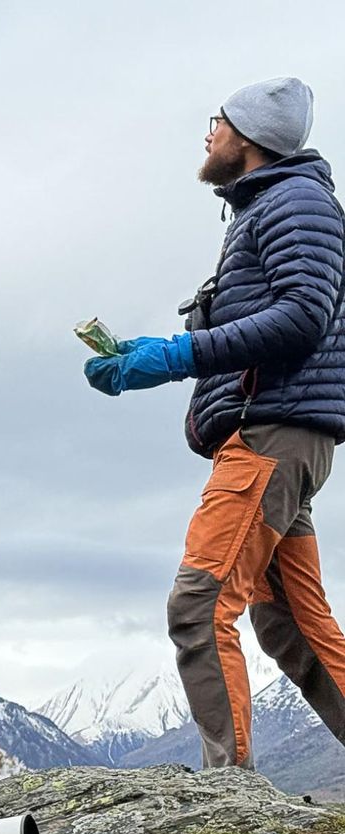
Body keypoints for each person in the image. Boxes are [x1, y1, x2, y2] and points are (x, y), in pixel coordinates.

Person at [84, 77, 345, 768]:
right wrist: (152, 348)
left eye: (218, 122)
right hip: (284, 437)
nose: (209, 134)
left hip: (272, 437)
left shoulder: (295, 201)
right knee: (291, 624)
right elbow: (266, 313)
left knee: (199, 606)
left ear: (251, 138)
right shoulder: (267, 208)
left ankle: (227, 793)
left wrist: (178, 356)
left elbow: (301, 315)